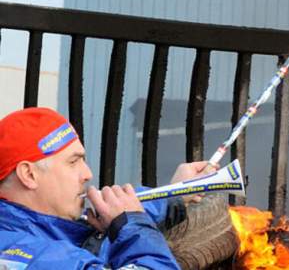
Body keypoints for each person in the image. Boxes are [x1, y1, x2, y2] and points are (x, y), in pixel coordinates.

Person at [0, 107, 209, 269]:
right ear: (29, 175)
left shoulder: (45, 230)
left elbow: (118, 217)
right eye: (73, 162)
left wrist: (175, 193)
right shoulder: (27, 255)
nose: (87, 174)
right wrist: (132, 225)